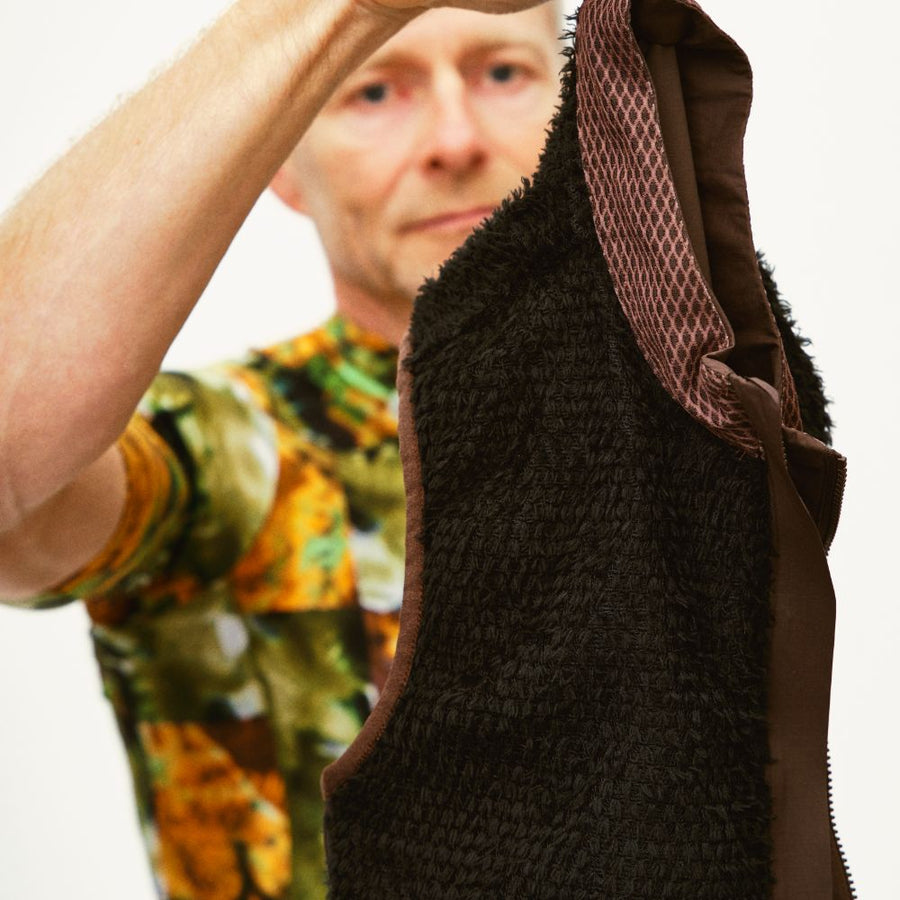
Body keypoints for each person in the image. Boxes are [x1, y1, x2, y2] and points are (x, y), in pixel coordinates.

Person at [0, 0, 563, 897]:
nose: (454, 141)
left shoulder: (727, 419)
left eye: (503, 72)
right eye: (375, 91)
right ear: (283, 167)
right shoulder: (233, 449)